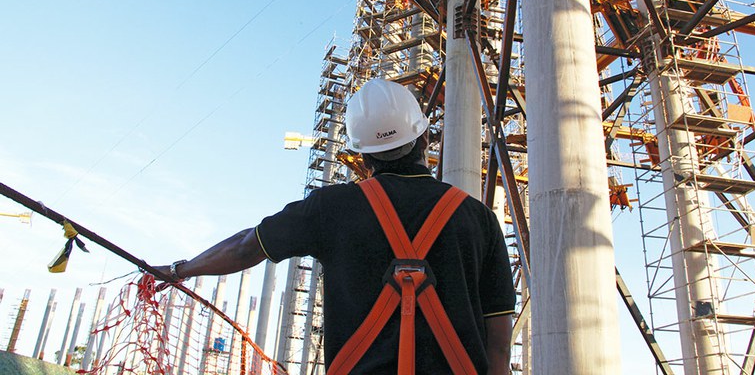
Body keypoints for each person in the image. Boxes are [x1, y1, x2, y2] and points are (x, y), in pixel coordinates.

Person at [155, 78, 515, 374]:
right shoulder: (480, 219)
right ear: (423, 138)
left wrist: (179, 270)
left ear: (362, 154)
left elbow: (245, 247)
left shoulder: (332, 208)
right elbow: (498, 345)